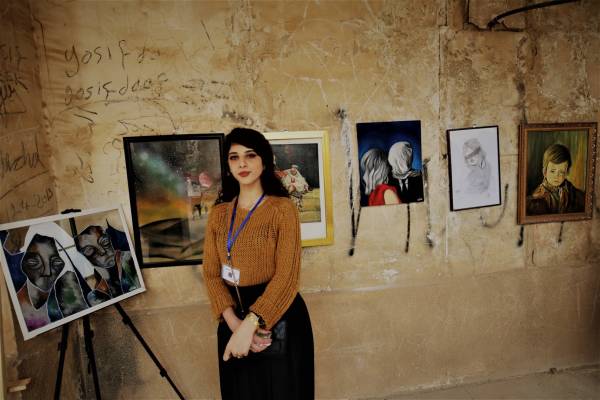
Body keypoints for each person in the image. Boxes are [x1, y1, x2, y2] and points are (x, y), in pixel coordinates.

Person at [202, 127, 314, 399]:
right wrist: (235, 326)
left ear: (264, 161)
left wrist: (252, 323)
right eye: (234, 157)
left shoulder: (282, 210)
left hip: (279, 316)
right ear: (228, 165)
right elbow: (211, 274)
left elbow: (287, 277)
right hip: (232, 315)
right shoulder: (219, 214)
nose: (242, 163)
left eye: (250, 155)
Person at [526, 143, 585, 215]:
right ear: (545, 172)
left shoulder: (573, 192)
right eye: (552, 171)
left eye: (561, 172)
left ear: (566, 173)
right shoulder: (538, 197)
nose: (557, 176)